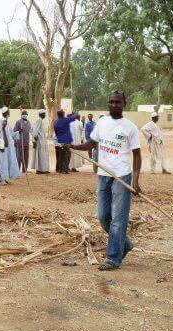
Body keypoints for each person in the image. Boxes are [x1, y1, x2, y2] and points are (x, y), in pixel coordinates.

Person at [67, 91, 142, 271]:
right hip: (104, 175)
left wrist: (136, 180)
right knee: (103, 217)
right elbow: (91, 144)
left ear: (124, 103)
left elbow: (137, 155)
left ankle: (113, 258)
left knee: (118, 219)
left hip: (122, 176)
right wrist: (73, 147)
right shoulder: (102, 123)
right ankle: (125, 244)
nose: (114, 105)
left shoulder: (130, 127)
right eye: (111, 102)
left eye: (118, 102)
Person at [0, 106, 20, 184]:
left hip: (8, 146)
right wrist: (2, 144)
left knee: (8, 161)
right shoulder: (1, 121)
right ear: (6, 113)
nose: (9, 113)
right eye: (8, 111)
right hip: (3, 145)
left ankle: (6, 177)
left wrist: (18, 132)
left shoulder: (6, 121)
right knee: (2, 161)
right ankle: (2, 179)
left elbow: (11, 133)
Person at [53, 110, 76, 174]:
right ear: (63, 114)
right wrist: (74, 114)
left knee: (61, 156)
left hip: (60, 141)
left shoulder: (55, 122)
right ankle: (65, 170)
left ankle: (60, 169)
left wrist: (59, 139)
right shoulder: (66, 120)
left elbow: (56, 132)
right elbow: (73, 118)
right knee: (66, 155)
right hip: (66, 141)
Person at [30, 109, 50, 174]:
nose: (45, 115)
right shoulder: (39, 120)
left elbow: (32, 129)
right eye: (44, 114)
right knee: (40, 155)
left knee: (42, 155)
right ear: (41, 114)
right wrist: (34, 141)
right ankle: (39, 170)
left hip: (42, 140)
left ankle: (42, 169)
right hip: (39, 141)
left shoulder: (40, 120)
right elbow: (35, 130)